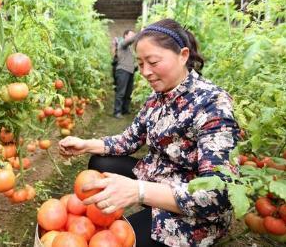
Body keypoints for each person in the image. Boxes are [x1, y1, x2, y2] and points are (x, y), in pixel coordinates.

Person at [59, 18, 240, 247]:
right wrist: (86, 144)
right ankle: (144, 205)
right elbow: (129, 140)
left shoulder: (213, 105)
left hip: (195, 210)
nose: (145, 72)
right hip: (158, 177)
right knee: (101, 162)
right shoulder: (156, 99)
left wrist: (139, 191)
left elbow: (219, 193)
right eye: (141, 63)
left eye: (153, 62)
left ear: (183, 55)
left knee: (121, 240)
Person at [113, 29, 137, 118]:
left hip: (130, 71)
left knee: (128, 93)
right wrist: (140, 33)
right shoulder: (122, 43)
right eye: (131, 35)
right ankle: (117, 112)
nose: (133, 37)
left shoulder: (130, 48)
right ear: (125, 36)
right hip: (122, 70)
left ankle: (125, 110)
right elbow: (129, 41)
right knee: (121, 92)